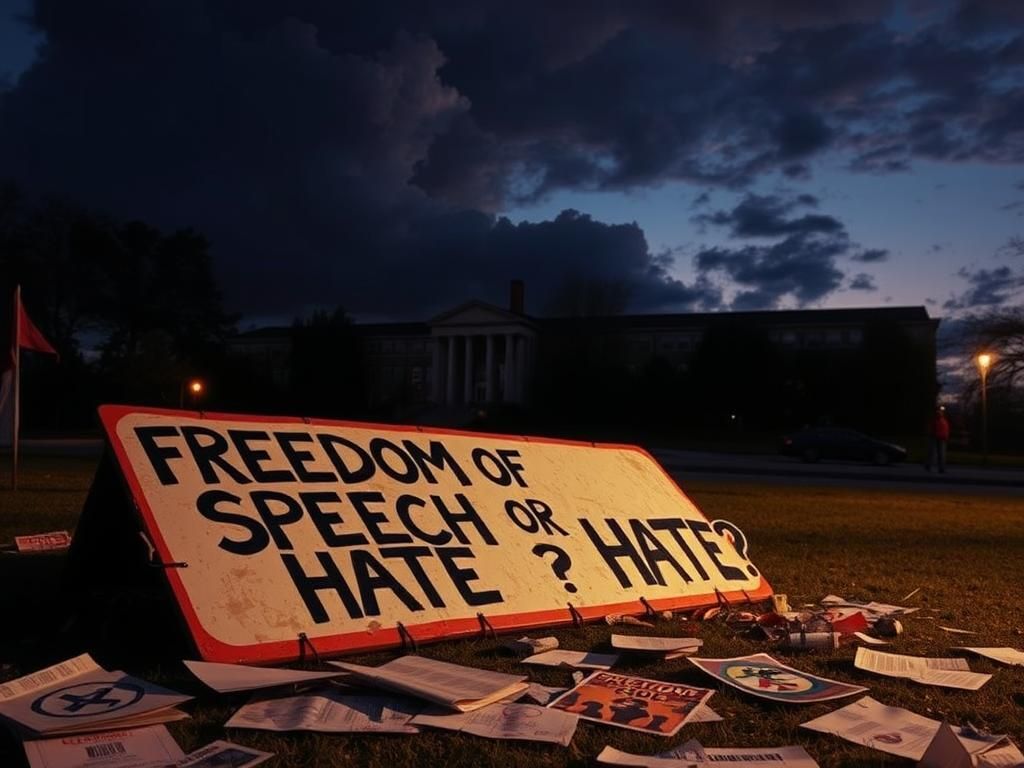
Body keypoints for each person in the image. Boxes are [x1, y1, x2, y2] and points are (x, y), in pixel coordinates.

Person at [925, 405, 950, 473]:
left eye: (941, 412)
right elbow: (930, 428)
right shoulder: (935, 420)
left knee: (941, 454)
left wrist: (946, 437)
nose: (940, 413)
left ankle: (941, 468)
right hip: (934, 438)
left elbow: (946, 430)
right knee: (933, 453)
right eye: (939, 411)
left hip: (942, 439)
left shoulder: (944, 421)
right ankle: (929, 465)